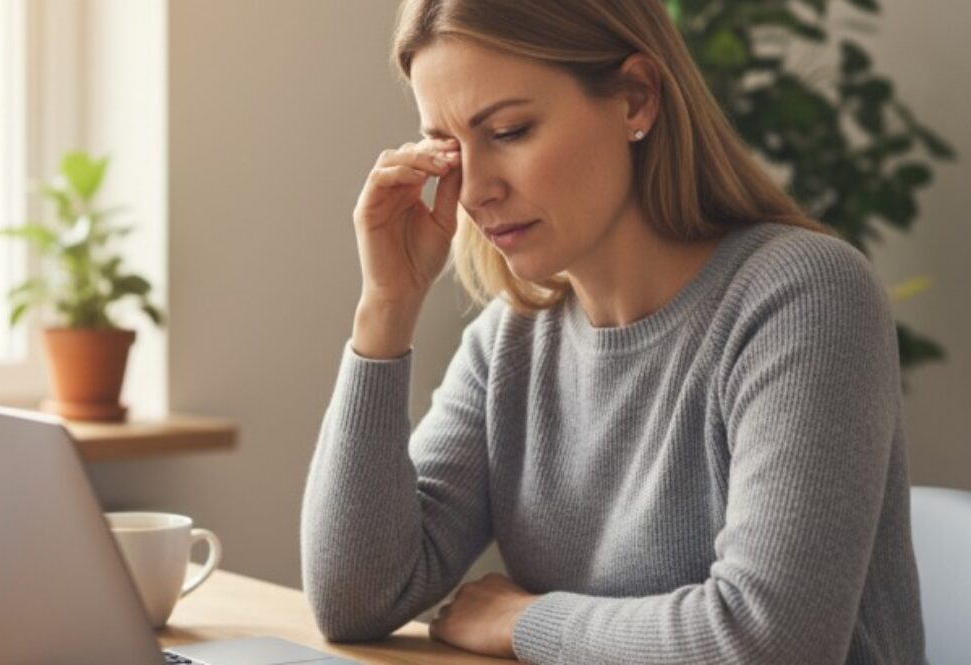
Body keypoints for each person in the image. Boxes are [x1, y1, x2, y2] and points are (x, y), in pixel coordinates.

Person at [300, 0, 926, 663]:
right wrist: (387, 306)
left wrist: (525, 621)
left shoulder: (804, 297)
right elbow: (355, 598)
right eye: (450, 150)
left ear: (635, 98)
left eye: (509, 131)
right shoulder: (510, 342)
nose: (475, 190)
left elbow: (769, 643)